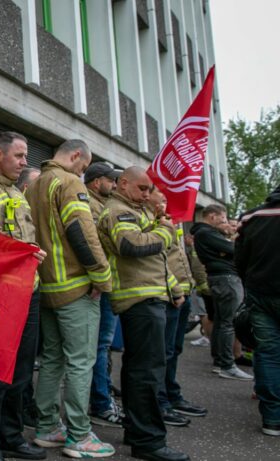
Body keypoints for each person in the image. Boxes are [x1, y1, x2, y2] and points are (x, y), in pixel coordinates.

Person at [25, 140, 114, 458]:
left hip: (46, 287)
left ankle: (48, 427)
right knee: (80, 361)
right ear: (76, 156)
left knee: (52, 359)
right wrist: (102, 276)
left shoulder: (34, 186)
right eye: (84, 166)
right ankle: (79, 435)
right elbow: (81, 231)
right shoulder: (69, 182)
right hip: (76, 288)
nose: (83, 173)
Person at [97, 167, 188, 461]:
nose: (147, 195)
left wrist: (174, 288)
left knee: (142, 369)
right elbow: (130, 245)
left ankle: (138, 432)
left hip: (148, 297)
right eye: (142, 188)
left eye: (149, 190)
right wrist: (165, 231)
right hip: (139, 299)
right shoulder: (118, 211)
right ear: (123, 184)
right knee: (146, 372)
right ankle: (148, 441)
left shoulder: (135, 211)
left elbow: (155, 261)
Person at [0, 132, 47, 461]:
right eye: (19, 155)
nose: (24, 162)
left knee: (21, 372)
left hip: (28, 291)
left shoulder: (17, 192)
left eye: (25, 155)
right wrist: (20, 251)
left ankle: (12, 436)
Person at [147, 189, 207, 427]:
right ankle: (160, 401)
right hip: (169, 294)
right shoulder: (150, 222)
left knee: (174, 349)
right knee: (163, 352)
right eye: (161, 199)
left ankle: (172, 394)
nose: (165, 203)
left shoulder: (172, 220)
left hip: (184, 291)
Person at [235, 185, 280, 436]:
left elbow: (240, 259)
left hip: (260, 294)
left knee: (268, 353)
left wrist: (250, 283)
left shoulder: (251, 217)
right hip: (262, 293)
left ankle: (272, 418)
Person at [82, 162, 124, 428]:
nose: (115, 185)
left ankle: (104, 395)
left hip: (107, 283)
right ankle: (100, 403)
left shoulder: (102, 204)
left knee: (103, 346)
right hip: (99, 285)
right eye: (112, 181)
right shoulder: (90, 205)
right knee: (99, 345)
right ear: (97, 182)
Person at [191, 205, 253, 380]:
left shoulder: (203, 233)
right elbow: (234, 249)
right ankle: (227, 364)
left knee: (221, 321)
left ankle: (220, 361)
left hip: (220, 278)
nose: (225, 222)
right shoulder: (206, 233)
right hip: (227, 279)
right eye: (223, 219)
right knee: (228, 322)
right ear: (212, 216)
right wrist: (231, 246)